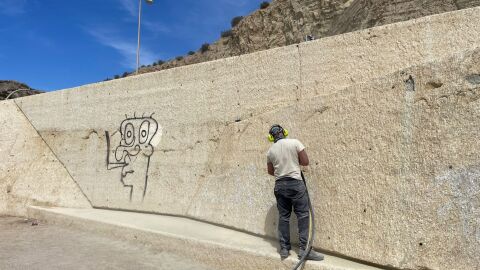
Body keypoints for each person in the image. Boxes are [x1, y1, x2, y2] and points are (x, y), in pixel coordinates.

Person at [266, 124, 324, 261]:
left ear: (271, 137)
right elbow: (305, 162)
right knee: (303, 215)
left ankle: (284, 249)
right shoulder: (295, 142)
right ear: (284, 132)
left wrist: (282, 170)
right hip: (296, 184)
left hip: (280, 186)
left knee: (284, 217)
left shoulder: (270, 151)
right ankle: (304, 250)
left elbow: (270, 171)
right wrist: (293, 162)